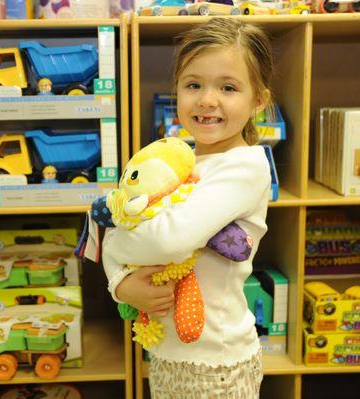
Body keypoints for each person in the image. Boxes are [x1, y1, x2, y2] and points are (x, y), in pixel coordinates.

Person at [102, 17, 273, 399]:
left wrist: (113, 247)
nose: (207, 100)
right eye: (193, 85)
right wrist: (122, 286)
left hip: (218, 362)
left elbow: (169, 241)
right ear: (177, 91)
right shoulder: (174, 163)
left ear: (258, 100)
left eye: (228, 87)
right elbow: (120, 220)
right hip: (166, 351)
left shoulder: (245, 166)